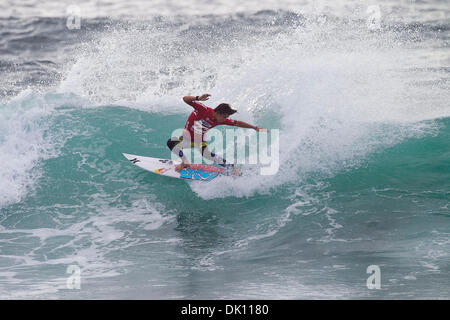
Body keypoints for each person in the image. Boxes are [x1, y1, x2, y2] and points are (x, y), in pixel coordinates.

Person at [167, 93, 268, 172]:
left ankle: (231, 168)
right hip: (186, 138)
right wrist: (197, 98)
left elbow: (237, 123)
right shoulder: (204, 110)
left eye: (226, 117)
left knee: (207, 155)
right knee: (171, 143)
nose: (225, 119)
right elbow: (185, 99)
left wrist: (255, 128)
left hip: (199, 140)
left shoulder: (221, 119)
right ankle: (184, 162)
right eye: (224, 116)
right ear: (217, 113)